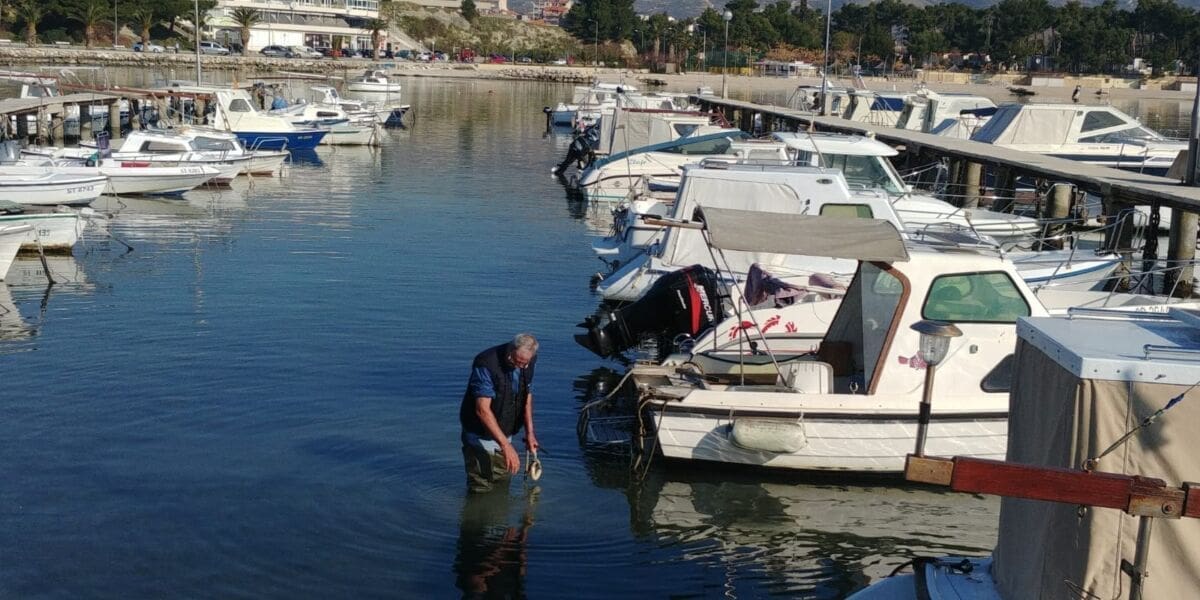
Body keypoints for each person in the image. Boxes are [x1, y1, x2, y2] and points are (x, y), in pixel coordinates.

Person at [460, 333, 540, 493]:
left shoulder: (527, 362)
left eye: (525, 363)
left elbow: (527, 396)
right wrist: (506, 446)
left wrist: (530, 433)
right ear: (510, 350)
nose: (520, 366)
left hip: (504, 431)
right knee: (481, 486)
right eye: (517, 361)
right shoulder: (486, 363)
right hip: (479, 434)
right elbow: (482, 409)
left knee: (502, 482)